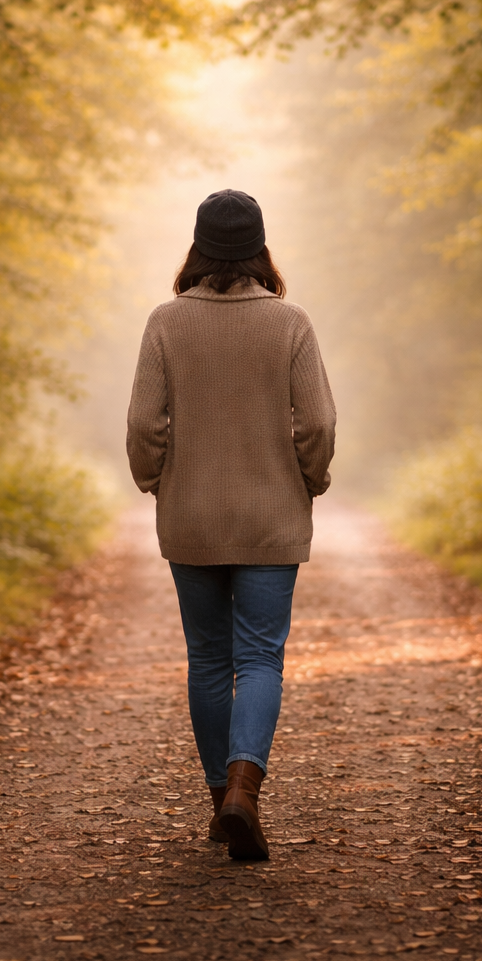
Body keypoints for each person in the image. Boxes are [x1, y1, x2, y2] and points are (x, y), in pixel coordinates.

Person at [125, 189, 337, 861]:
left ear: (197, 246)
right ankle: (248, 791)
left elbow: (142, 425)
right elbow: (320, 424)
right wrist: (310, 479)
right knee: (260, 657)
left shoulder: (165, 322)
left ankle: (224, 801)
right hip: (272, 518)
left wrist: (156, 478)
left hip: (191, 519)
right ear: (259, 248)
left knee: (210, 659)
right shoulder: (291, 323)